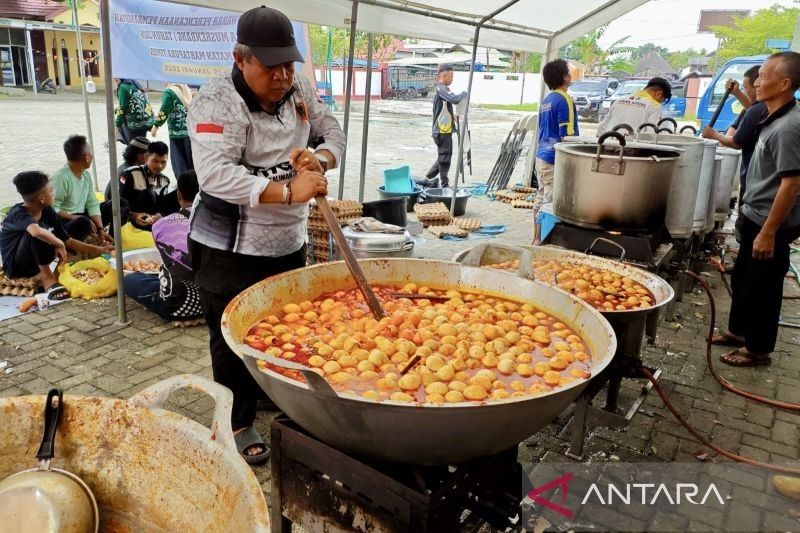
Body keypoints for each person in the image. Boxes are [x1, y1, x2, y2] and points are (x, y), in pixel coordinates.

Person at [188, 5, 345, 465]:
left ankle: (280, 397)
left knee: (286, 325)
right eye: (270, 65)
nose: (281, 76)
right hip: (228, 245)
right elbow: (214, 175)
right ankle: (235, 422)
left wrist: (323, 158)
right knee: (233, 336)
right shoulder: (216, 101)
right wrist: (284, 190)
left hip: (286, 241)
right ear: (241, 59)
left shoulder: (297, 88)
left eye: (288, 64)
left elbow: (330, 127)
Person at [712, 52, 800, 367]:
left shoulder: (790, 126)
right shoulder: (768, 114)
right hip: (754, 215)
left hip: (770, 223)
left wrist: (768, 233)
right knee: (744, 280)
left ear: (785, 83)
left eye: (763, 76)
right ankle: (738, 332)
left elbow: (791, 185)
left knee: (764, 288)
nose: (757, 82)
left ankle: (758, 350)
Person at [0, 171, 112, 301]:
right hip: (19, 266)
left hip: (41, 254)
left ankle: (58, 268)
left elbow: (67, 240)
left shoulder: (47, 210)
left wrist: (99, 249)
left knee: (82, 222)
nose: (53, 193)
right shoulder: (18, 214)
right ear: (42, 198)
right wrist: (58, 244)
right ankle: (48, 278)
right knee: (38, 232)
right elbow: (36, 232)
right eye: (51, 190)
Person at [123, 170, 202, 320]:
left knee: (129, 280)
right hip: (219, 304)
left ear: (178, 194)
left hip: (180, 306)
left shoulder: (161, 225)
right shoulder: (221, 221)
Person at [702, 67, 768, 203]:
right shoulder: (767, 107)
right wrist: (737, 93)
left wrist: (714, 135)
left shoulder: (758, 110)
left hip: (755, 180)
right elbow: (752, 108)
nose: (745, 91)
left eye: (745, 87)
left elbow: (736, 143)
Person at [532, 59, 578, 245]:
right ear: (565, 77)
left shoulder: (547, 100)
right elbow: (566, 137)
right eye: (569, 72)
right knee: (550, 202)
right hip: (553, 159)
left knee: (541, 197)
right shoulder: (564, 99)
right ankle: (542, 243)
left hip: (541, 157)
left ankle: (535, 239)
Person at [50, 135, 112, 245]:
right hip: (65, 221)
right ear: (87, 157)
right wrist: (74, 217)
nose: (93, 156)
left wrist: (100, 228)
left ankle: (100, 235)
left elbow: (91, 202)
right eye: (91, 153)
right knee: (82, 221)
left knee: (118, 204)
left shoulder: (86, 175)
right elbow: (51, 209)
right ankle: (81, 242)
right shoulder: (61, 177)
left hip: (82, 215)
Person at [423, 64, 467, 188]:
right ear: (443, 75)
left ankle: (426, 179)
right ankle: (445, 186)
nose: (452, 79)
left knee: (444, 156)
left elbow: (444, 108)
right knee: (444, 158)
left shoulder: (443, 89)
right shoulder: (441, 89)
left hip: (444, 130)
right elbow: (454, 99)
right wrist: (464, 94)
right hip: (441, 131)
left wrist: (453, 117)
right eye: (451, 76)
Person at [118, 141, 178, 230]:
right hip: (132, 217)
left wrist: (159, 215)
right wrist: (134, 216)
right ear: (146, 157)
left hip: (151, 217)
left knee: (179, 193)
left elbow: (162, 204)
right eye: (155, 161)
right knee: (149, 194)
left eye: (163, 162)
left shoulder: (164, 180)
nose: (159, 166)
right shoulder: (130, 173)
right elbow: (119, 203)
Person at [597, 77, 671, 135]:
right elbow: (651, 133)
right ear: (658, 94)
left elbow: (602, 126)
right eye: (662, 100)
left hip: (607, 146)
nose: (660, 103)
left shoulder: (618, 101)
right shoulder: (654, 106)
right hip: (632, 150)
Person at [151, 83, 194, 177]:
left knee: (179, 159)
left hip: (176, 132)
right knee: (190, 158)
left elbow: (164, 109)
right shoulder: (185, 88)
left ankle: (182, 181)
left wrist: (156, 125)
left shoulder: (169, 91)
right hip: (190, 131)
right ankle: (192, 181)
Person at [114, 79, 154, 144]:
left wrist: (117, 124)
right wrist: (117, 110)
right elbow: (133, 102)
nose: (115, 78)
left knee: (134, 147)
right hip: (145, 121)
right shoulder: (135, 84)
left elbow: (123, 108)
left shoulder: (123, 87)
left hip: (135, 123)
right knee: (141, 145)